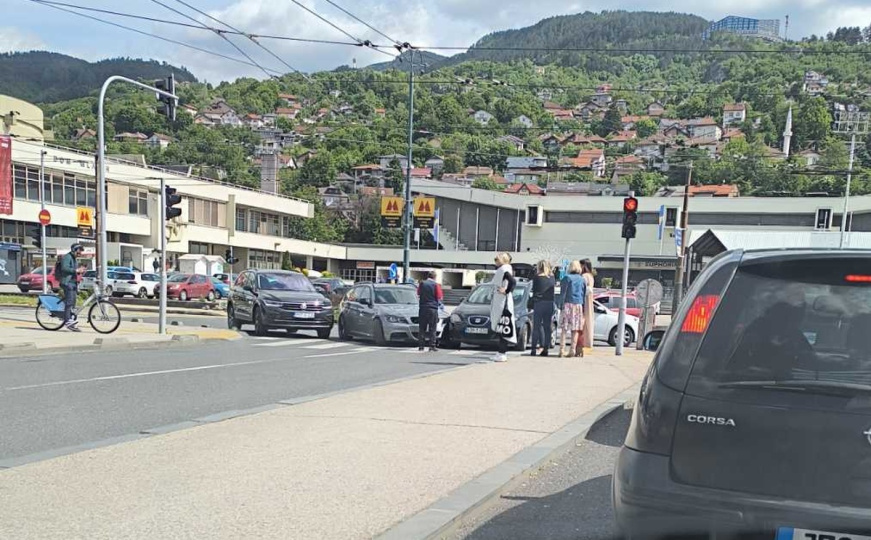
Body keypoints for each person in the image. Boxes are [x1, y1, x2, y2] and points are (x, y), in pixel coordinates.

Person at [490, 252, 516, 362]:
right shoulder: (506, 269)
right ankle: (500, 352)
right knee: (502, 326)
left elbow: (512, 282)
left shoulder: (504, 270)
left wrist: (506, 291)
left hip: (502, 302)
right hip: (501, 301)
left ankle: (502, 352)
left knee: (503, 326)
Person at [557, 260, 587, 358]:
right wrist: (583, 306)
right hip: (578, 304)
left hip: (567, 304)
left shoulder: (567, 278)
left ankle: (561, 350)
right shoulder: (582, 279)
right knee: (575, 329)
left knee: (564, 328)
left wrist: (560, 305)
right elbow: (583, 294)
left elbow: (563, 293)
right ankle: (572, 349)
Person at [529, 260, 555, 357]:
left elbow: (534, 289)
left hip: (539, 303)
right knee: (547, 327)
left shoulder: (537, 277)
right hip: (549, 303)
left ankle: (533, 349)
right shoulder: (552, 277)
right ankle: (546, 349)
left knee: (536, 326)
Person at [59, 243, 84, 332]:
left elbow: (74, 271)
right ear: (74, 250)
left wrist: (80, 272)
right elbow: (64, 268)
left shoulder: (74, 259)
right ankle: (67, 321)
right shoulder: (67, 257)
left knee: (73, 302)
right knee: (69, 302)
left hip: (73, 283)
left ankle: (70, 320)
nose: (80, 253)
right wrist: (76, 270)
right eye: (79, 251)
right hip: (67, 282)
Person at [417, 270, 443, 352]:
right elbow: (439, 296)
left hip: (423, 307)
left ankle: (421, 345)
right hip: (432, 308)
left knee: (422, 327)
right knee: (432, 328)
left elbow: (418, 293)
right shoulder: (436, 285)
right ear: (435, 277)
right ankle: (432, 345)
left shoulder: (422, 283)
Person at [581, 259, 595, 352]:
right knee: (589, 320)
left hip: (583, 300)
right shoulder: (591, 276)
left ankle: (583, 342)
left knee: (582, 322)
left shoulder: (584, 276)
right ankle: (588, 341)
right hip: (589, 300)